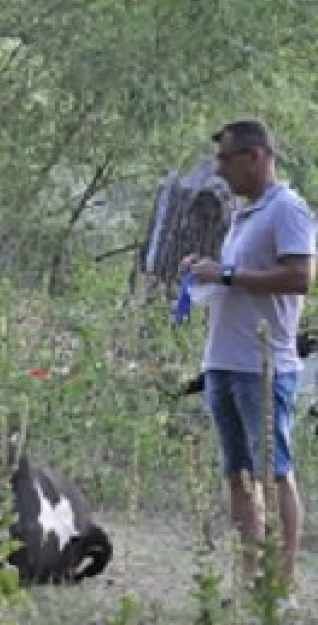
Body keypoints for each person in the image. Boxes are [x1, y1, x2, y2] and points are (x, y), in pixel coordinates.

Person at [181, 119, 315, 607]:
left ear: (256, 157)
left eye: (227, 159)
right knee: (237, 473)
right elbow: (237, 276)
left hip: (264, 365)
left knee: (274, 472)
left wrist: (229, 274)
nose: (220, 169)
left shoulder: (288, 209)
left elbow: (300, 277)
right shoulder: (244, 214)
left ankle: (282, 589)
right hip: (223, 361)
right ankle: (249, 578)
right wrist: (206, 271)